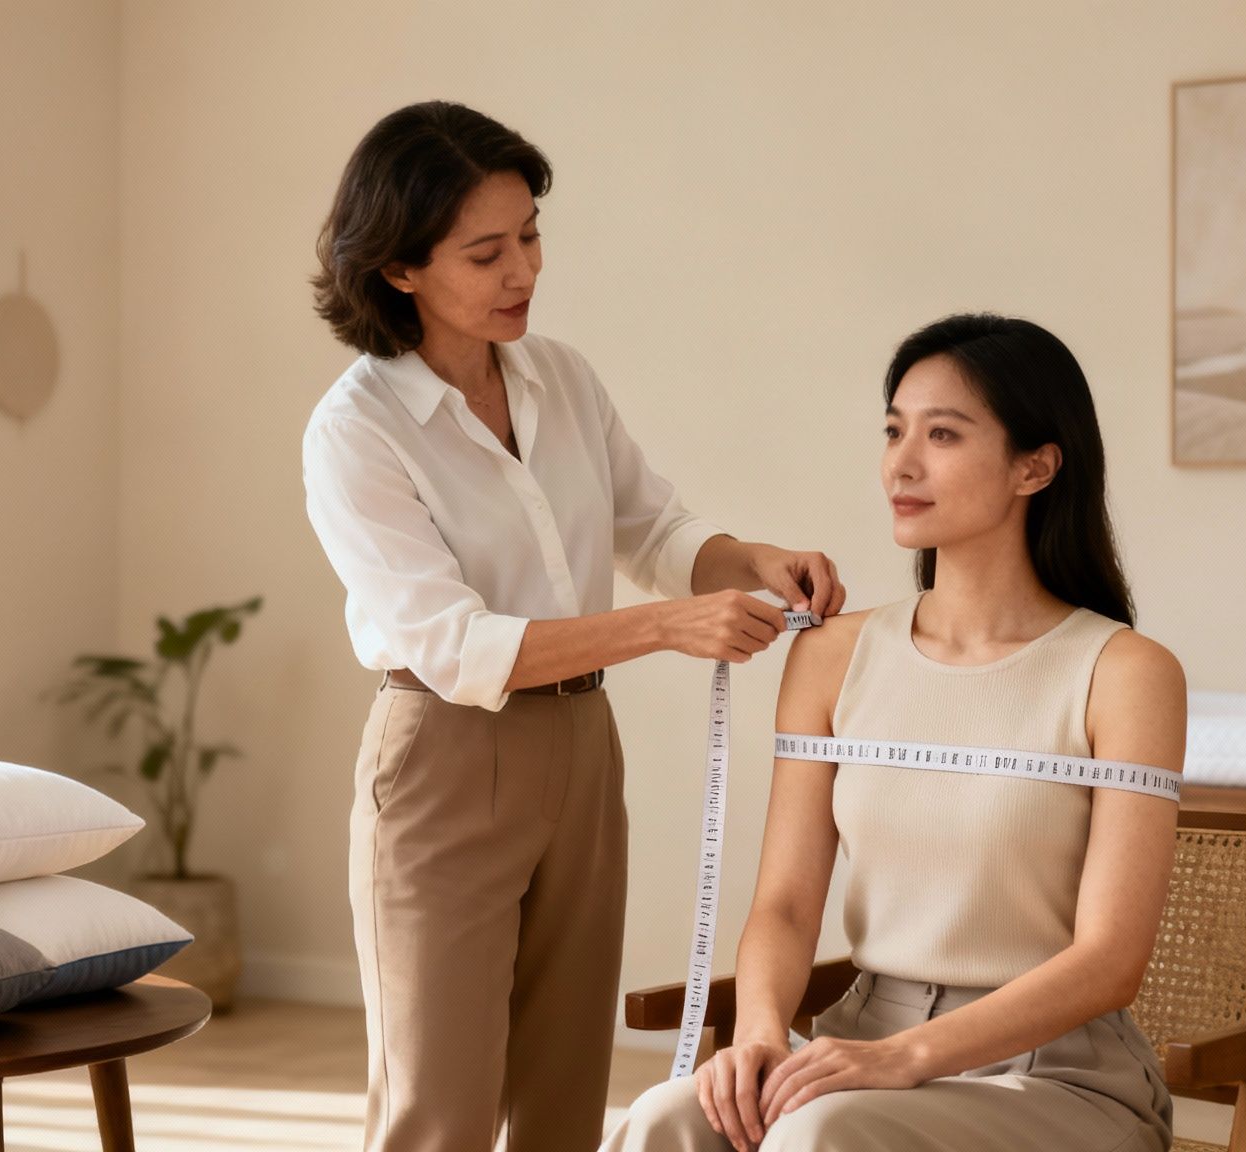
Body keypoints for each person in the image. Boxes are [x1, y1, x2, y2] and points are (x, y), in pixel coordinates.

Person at [301, 101, 848, 1152]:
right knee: (438, 1110)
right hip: (444, 760)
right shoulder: (355, 432)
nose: (523, 271)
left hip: (581, 753)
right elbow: (455, 647)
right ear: (399, 269)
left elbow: (654, 525)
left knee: (562, 1095)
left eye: (531, 235)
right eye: (485, 252)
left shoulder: (560, 375)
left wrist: (752, 561)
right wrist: (664, 629)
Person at [605, 313, 1186, 1152]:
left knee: (821, 1136)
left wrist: (910, 1056)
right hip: (859, 1041)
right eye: (893, 430)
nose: (901, 464)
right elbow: (786, 901)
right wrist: (763, 1030)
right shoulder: (832, 656)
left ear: (1036, 465)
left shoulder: (1125, 672)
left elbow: (1110, 961)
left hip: (1055, 1076)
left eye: (943, 434)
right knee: (665, 1118)